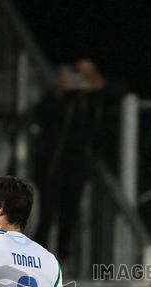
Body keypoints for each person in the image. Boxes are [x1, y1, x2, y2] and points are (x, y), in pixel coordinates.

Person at [33, 59, 113, 261]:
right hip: (53, 162)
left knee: (69, 212)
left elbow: (120, 90)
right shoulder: (61, 98)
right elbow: (40, 114)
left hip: (79, 163)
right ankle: (34, 256)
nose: (82, 81)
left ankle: (63, 257)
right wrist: (60, 92)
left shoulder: (96, 99)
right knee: (47, 212)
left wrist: (98, 84)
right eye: (79, 75)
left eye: (87, 76)